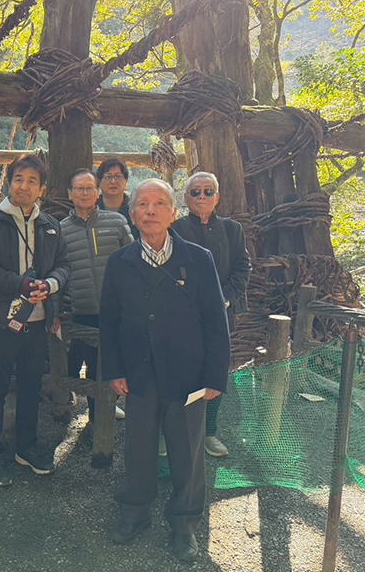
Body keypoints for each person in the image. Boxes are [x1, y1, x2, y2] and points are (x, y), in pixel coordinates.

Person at [100, 179, 229, 562]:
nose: (151, 211)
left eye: (159, 204)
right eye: (143, 204)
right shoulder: (120, 261)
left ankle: (184, 525)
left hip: (188, 375)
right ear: (132, 214)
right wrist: (114, 370)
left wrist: (214, 377)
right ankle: (134, 514)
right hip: (138, 374)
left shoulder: (198, 259)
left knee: (187, 452)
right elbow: (110, 322)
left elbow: (215, 322)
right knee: (138, 448)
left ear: (174, 213)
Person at [0, 154, 70, 487]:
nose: (24, 186)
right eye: (18, 179)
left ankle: (26, 446)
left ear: (42, 189)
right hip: (1, 322)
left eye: (32, 181)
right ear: (9, 183)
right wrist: (20, 285)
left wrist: (49, 284)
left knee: (30, 385)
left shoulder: (50, 225)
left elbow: (63, 265)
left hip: (38, 321)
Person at [172, 172, 251, 457]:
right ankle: (176, 431)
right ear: (186, 198)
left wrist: (226, 299)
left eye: (208, 191)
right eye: (195, 192)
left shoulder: (232, 229)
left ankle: (209, 432)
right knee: (180, 368)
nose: (202, 196)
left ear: (217, 197)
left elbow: (243, 267)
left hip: (221, 313)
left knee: (216, 370)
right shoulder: (175, 229)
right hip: (183, 315)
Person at [59, 168, 132, 422]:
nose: (85, 193)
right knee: (90, 363)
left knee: (116, 361)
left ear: (97, 192)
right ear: (70, 193)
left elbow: (133, 260)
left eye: (90, 188)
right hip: (83, 309)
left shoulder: (116, 222)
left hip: (117, 308)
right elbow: (58, 271)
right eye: (79, 188)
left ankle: (107, 407)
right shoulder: (61, 230)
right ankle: (95, 416)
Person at [96, 157, 139, 240]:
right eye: (108, 177)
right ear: (99, 182)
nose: (113, 181)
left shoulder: (136, 209)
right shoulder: (91, 209)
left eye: (118, 176)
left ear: (126, 181)